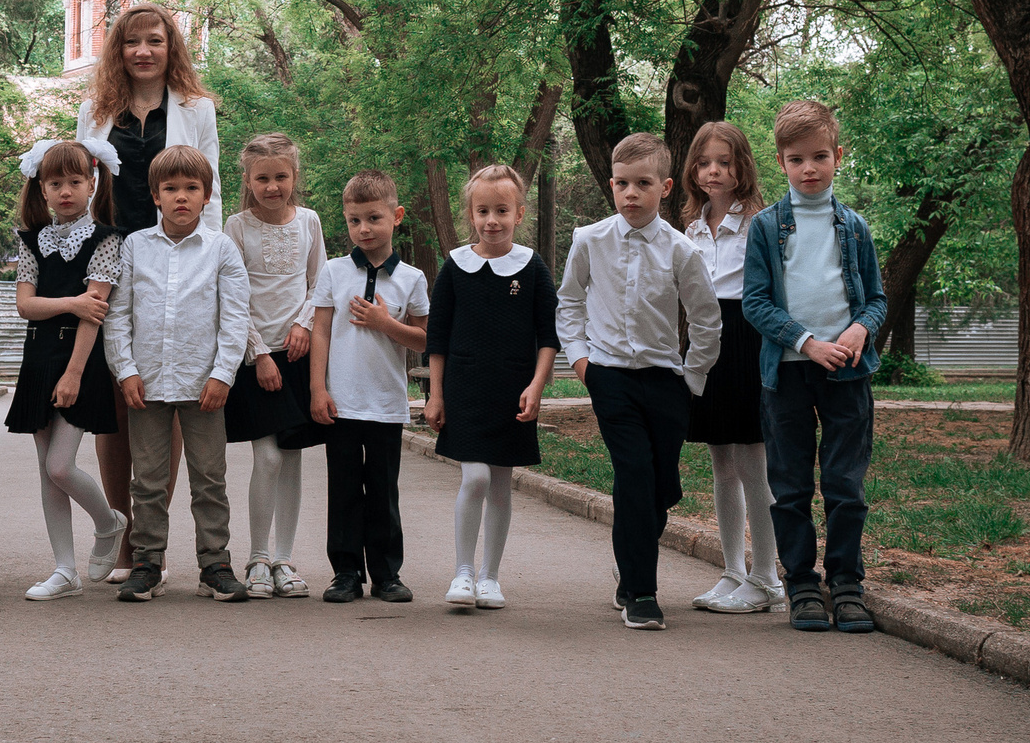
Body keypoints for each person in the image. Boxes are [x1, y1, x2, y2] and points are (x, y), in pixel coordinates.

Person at [73, 0, 219, 576]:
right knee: (116, 401)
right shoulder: (95, 110)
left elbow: (208, 190)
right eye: (132, 42)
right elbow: (81, 188)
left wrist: (210, 264)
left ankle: (152, 540)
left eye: (154, 41)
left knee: (163, 399)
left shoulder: (197, 109)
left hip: (173, 261)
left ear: (170, 46)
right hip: (110, 257)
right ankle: (124, 538)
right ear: (118, 49)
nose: (143, 51)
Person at [558, 132, 722, 630]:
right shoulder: (590, 240)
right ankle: (642, 594)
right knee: (633, 474)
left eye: (643, 184)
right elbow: (569, 303)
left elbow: (706, 319)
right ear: (611, 185)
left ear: (665, 187)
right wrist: (583, 363)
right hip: (610, 378)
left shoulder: (681, 250)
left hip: (666, 382)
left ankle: (628, 572)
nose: (631, 194)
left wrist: (691, 380)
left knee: (661, 487)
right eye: (622, 184)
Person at [741, 99, 887, 636]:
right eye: (797, 158)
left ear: (837, 157)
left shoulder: (854, 227)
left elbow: (875, 297)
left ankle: (847, 584)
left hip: (848, 371)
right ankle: (802, 583)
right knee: (791, 484)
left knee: (846, 484)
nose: (809, 168)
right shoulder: (765, 228)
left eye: (820, 156)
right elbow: (755, 303)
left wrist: (858, 329)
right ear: (781, 162)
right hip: (788, 374)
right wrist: (806, 342)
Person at [103, 145, 252, 602]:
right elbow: (118, 314)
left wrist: (223, 374)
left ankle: (215, 564)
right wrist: (125, 370)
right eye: (171, 189)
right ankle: (146, 562)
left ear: (207, 195)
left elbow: (235, 317)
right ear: (155, 195)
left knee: (209, 478)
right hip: (146, 383)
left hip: (203, 382)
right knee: (147, 479)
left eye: (192, 188)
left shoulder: (221, 249)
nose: (181, 197)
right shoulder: (135, 247)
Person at [424, 163, 558, 611]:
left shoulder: (532, 268)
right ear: (471, 215)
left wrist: (537, 387)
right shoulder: (456, 267)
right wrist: (436, 395)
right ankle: (462, 571)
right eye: (482, 211)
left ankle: (490, 577)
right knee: (476, 476)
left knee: (501, 484)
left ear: (520, 213)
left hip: (514, 390)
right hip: (465, 389)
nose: (492, 220)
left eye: (502, 210)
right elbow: (437, 338)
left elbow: (548, 336)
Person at [5, 138, 129, 599]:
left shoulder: (105, 240)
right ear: (41, 189)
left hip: (79, 360)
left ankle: (109, 521)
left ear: (92, 184)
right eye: (54, 183)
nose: (65, 191)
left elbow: (93, 314)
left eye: (75, 182)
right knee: (45, 469)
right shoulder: (32, 240)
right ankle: (64, 570)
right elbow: (24, 306)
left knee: (61, 465)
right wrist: (71, 302)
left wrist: (75, 373)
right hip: (38, 358)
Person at [308, 169, 429, 604]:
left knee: (382, 490)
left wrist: (385, 323)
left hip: (386, 403)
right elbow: (320, 330)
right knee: (343, 490)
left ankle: (386, 574)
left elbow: (426, 338)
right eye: (355, 220)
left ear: (396, 217)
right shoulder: (334, 272)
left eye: (374, 218)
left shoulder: (412, 278)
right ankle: (345, 573)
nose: (364, 228)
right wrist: (317, 390)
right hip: (340, 402)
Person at [679, 119, 782, 615]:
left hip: (747, 338)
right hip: (705, 340)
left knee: (751, 462)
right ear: (692, 169)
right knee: (721, 462)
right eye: (704, 162)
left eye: (724, 161)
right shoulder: (691, 225)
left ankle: (767, 577)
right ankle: (733, 572)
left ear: (742, 166)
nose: (713, 171)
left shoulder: (763, 222)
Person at [221, 132, 323, 598]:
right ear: (248, 179)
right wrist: (259, 352)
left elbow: (318, 283)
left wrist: (303, 326)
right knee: (266, 457)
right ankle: (257, 558)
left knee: (293, 460)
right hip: (255, 356)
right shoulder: (237, 226)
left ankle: (284, 558)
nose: (272, 186)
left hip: (300, 353)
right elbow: (232, 297)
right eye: (262, 178)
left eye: (281, 176)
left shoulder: (310, 222)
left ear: (294, 176)